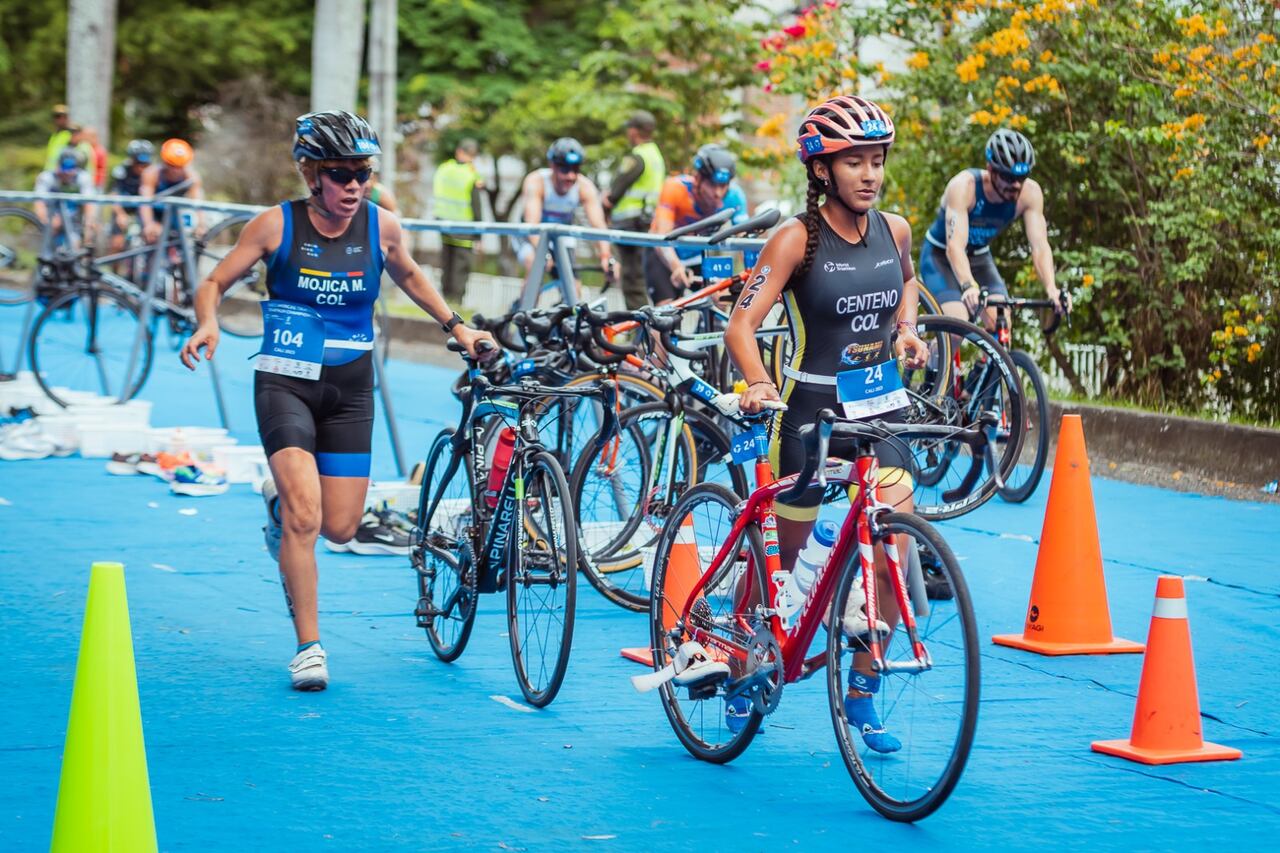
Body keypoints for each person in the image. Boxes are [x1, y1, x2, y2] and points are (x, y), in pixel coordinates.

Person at [179, 110, 495, 692]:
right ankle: (309, 647)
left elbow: (410, 276)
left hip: (349, 388)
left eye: (363, 174)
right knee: (307, 515)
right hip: (285, 383)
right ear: (311, 174)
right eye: (341, 174)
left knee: (342, 528)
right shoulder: (275, 226)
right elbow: (213, 281)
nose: (354, 186)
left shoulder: (382, 226)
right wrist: (207, 323)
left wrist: (459, 326)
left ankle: (278, 510)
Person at [723, 95, 929, 750]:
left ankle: (865, 685)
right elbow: (741, 324)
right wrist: (758, 380)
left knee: (895, 536)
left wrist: (907, 332)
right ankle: (741, 656)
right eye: (855, 163)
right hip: (810, 415)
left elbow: (908, 281)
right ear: (821, 171)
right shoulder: (795, 239)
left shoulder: (892, 228)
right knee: (788, 578)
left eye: (877, 161)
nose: (870, 175)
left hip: (880, 406)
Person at [919, 128, 1069, 326]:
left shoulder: (1030, 194)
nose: (1016, 185)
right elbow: (954, 246)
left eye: (1021, 178)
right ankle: (932, 356)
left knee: (1001, 324)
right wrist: (969, 285)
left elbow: (1040, 246)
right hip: (940, 257)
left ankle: (986, 359)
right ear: (991, 170)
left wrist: (1052, 288)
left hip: (979, 257)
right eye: (1008, 177)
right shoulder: (965, 186)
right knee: (957, 323)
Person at [645, 144, 748, 304]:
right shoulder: (675, 188)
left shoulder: (735, 197)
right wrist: (676, 266)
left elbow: (745, 240)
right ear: (698, 178)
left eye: (723, 186)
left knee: (721, 300)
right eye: (712, 185)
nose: (717, 193)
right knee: (664, 314)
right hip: (664, 255)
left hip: (697, 257)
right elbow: (662, 236)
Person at [516, 137, 612, 284]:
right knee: (535, 267)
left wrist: (606, 256)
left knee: (574, 286)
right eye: (565, 169)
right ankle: (525, 305)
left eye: (576, 169)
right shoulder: (536, 182)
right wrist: (545, 255)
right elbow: (532, 224)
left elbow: (598, 225)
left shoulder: (585, 187)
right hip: (532, 236)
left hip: (560, 236)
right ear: (552, 166)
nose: (571, 176)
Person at [605, 111, 666, 310]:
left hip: (630, 223)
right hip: (644, 221)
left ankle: (638, 327)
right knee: (638, 275)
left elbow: (617, 188)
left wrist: (607, 201)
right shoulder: (656, 155)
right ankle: (642, 327)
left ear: (634, 131)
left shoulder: (638, 156)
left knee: (632, 279)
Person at [432, 138, 485, 302]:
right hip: (464, 227)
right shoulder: (470, 174)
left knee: (446, 263)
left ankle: (445, 299)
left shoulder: (444, 168)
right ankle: (456, 301)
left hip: (443, 223)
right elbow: (476, 206)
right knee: (461, 265)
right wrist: (479, 234)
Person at [140, 138, 205, 243]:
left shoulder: (192, 177)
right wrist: (149, 224)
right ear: (164, 162)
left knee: (182, 240)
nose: (175, 170)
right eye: (172, 165)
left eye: (180, 167)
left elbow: (198, 203)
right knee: (151, 238)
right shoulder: (151, 174)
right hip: (154, 211)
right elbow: (145, 203)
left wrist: (201, 225)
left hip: (175, 213)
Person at [33, 146, 97, 247]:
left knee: (77, 244)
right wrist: (47, 221)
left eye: (71, 168)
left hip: (74, 220)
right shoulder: (46, 177)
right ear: (58, 165)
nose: (67, 173)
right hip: (52, 218)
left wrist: (89, 223)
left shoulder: (83, 178)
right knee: (50, 242)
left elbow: (89, 204)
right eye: (65, 167)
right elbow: (38, 204)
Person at [108, 139, 154, 254]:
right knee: (116, 243)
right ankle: (115, 268)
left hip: (142, 209)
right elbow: (114, 194)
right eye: (138, 163)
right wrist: (120, 214)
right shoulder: (121, 170)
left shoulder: (153, 173)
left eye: (145, 164)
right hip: (123, 208)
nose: (141, 167)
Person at [43, 105, 73, 171]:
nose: (60, 119)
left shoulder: (71, 134)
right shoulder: (54, 135)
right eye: (57, 116)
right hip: (51, 171)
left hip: (64, 173)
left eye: (64, 116)